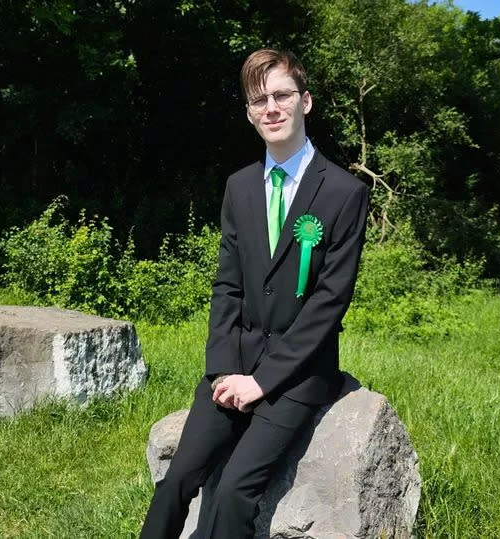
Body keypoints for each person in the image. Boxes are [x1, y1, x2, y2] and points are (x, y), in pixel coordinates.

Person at [139, 48, 369, 538]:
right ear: (249, 113)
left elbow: (330, 302)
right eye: (259, 99)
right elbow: (227, 286)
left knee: (234, 491)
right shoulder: (239, 186)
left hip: (298, 374)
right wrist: (225, 369)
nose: (271, 107)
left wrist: (262, 382)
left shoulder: (344, 192)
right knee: (177, 479)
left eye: (282, 95)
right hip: (235, 360)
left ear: (305, 101)